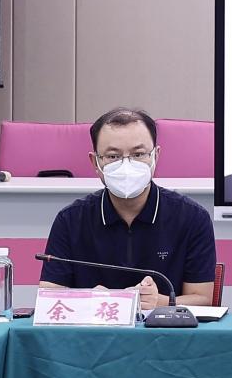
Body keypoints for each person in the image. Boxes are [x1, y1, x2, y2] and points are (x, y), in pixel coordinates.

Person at [39, 107, 215, 310]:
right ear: (95, 162)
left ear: (156, 156)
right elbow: (49, 296)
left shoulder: (192, 217)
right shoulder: (70, 220)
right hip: (94, 328)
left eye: (138, 154)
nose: (126, 165)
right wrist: (88, 299)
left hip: (164, 328)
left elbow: (203, 299)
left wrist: (161, 302)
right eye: (113, 156)